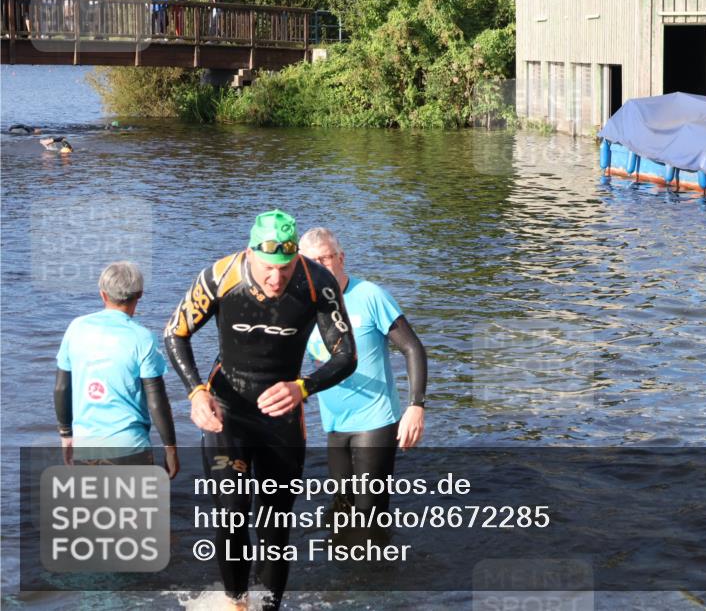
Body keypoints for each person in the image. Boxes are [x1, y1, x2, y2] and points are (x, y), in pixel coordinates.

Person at [164, 210, 356, 611]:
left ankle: (269, 607)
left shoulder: (316, 282)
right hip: (226, 412)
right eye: (269, 268)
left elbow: (346, 355)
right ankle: (236, 603)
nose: (276, 279)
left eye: (285, 269)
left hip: (282, 418)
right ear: (251, 254)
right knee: (232, 516)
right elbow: (175, 333)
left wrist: (303, 387)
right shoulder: (220, 275)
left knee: (274, 526)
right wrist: (196, 393)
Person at [299, 228, 427, 522]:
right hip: (334, 421)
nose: (320, 267)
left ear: (341, 257)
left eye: (326, 258)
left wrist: (416, 407)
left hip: (376, 418)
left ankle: (377, 567)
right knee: (341, 508)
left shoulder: (370, 295)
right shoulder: (306, 307)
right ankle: (347, 565)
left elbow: (413, 348)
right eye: (312, 262)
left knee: (369, 513)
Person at [54, 262, 179, 475]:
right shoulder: (143, 338)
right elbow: (157, 400)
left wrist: (66, 434)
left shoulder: (76, 328)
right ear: (139, 294)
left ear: (103, 294)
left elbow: (61, 388)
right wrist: (171, 449)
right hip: (131, 448)